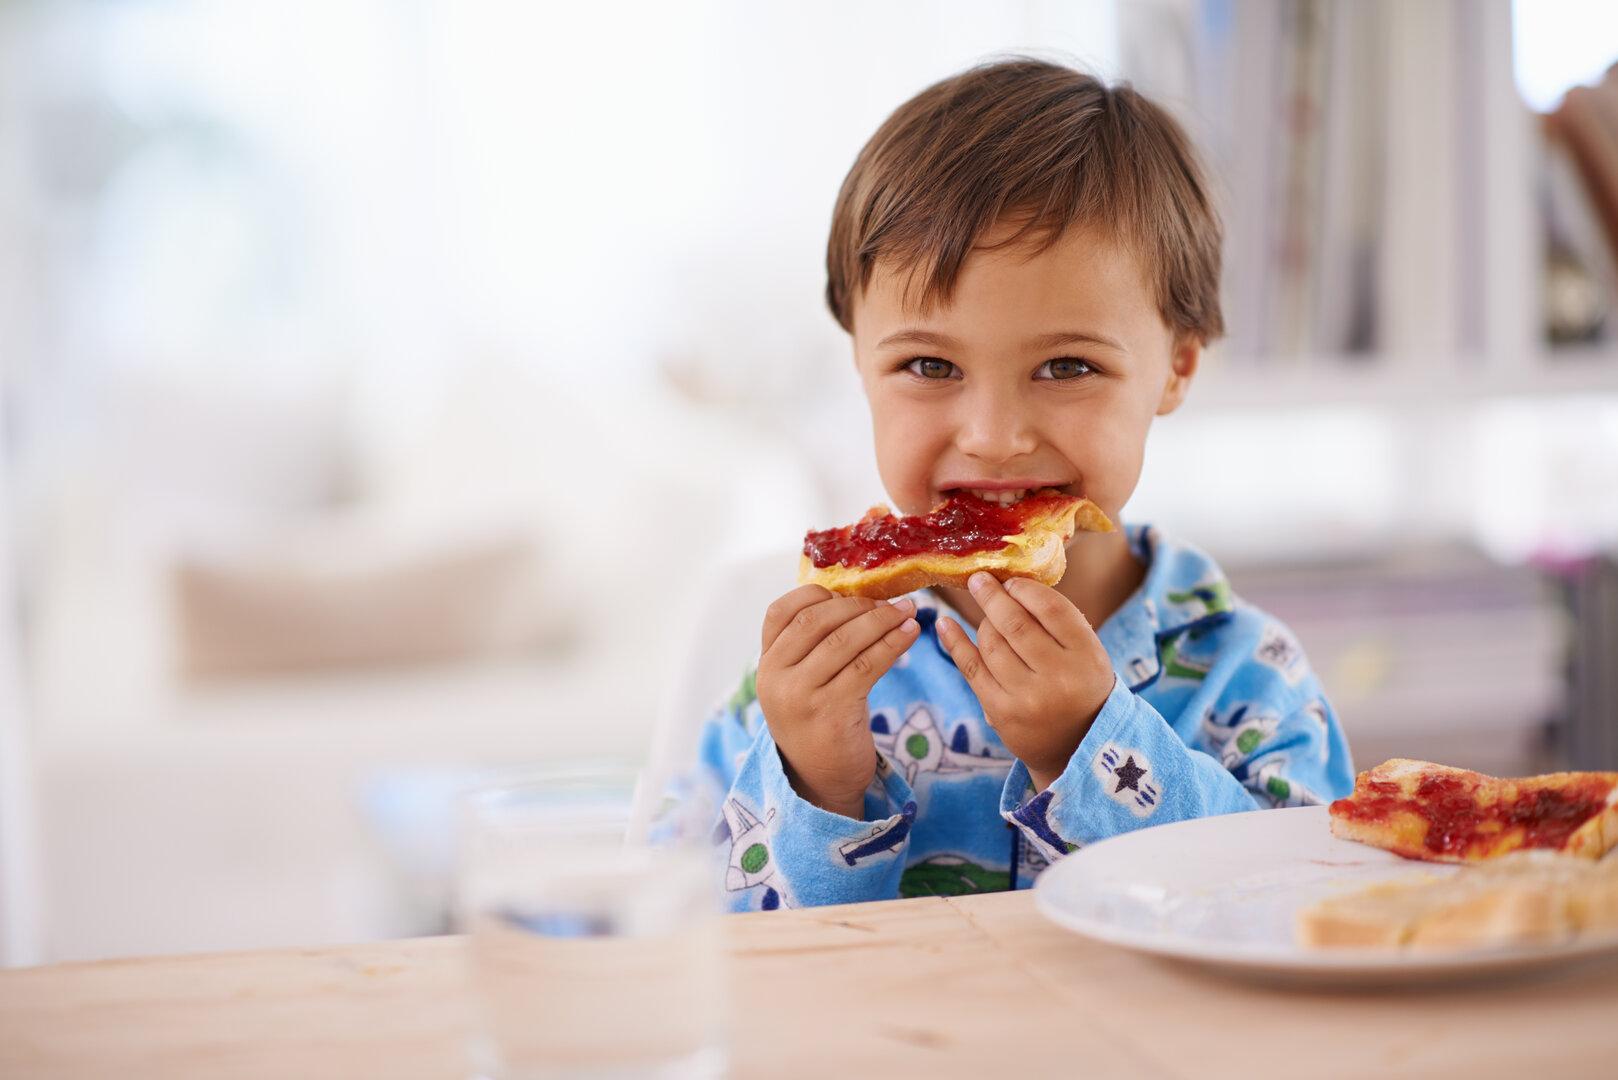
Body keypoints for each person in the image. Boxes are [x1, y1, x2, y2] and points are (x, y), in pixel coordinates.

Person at [695, 58, 1354, 912]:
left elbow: (1304, 910)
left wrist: (1095, 747)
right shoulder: (795, 689)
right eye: (929, 365)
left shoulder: (1247, 676)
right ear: (859, 359)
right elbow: (700, 964)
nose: (995, 438)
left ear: (1178, 366)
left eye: (1066, 365)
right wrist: (816, 785)